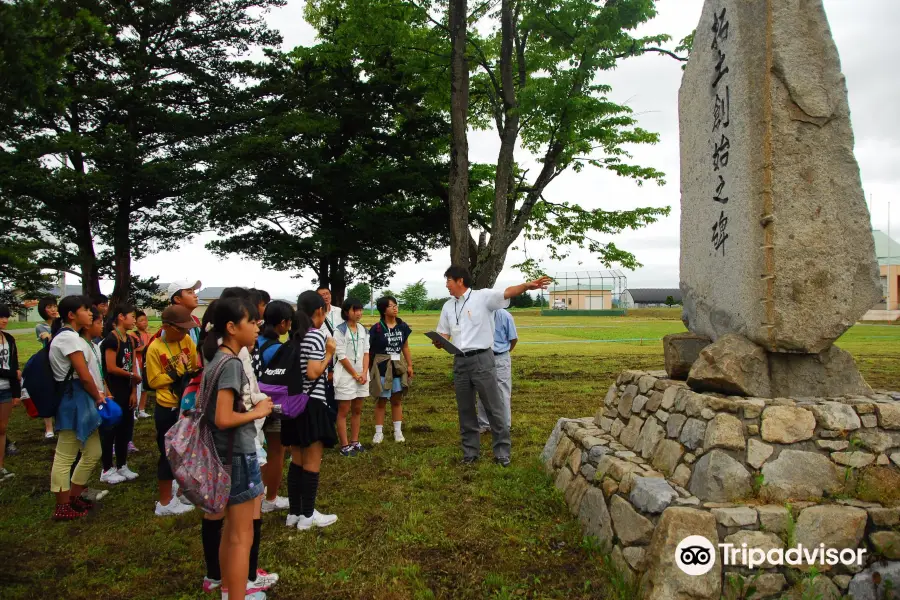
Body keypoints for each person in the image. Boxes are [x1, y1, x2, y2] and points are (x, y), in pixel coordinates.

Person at [198, 297, 276, 600]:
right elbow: (223, 417)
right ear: (231, 327)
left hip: (222, 453)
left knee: (231, 533)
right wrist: (258, 412)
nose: (258, 328)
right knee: (241, 536)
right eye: (252, 322)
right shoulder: (231, 364)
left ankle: (230, 589)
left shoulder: (217, 358)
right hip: (238, 454)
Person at [434, 267, 551, 467]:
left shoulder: (483, 297)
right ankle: (470, 452)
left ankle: (502, 452)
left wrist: (526, 286)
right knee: (465, 408)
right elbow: (444, 333)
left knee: (493, 407)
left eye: (449, 281)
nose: (446, 285)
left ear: (460, 280)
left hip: (482, 358)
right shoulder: (447, 306)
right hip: (459, 361)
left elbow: (507, 292)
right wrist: (439, 341)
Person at [282, 291, 338, 530]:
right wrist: (329, 354)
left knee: (296, 461)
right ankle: (308, 515)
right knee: (312, 462)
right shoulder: (315, 337)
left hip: (293, 405)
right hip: (312, 404)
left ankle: (294, 513)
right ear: (319, 312)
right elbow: (314, 373)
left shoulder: (293, 336)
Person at [47, 296, 106, 519]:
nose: (90, 313)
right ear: (71, 315)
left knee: (93, 452)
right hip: (74, 399)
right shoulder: (68, 339)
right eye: (85, 310)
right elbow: (83, 375)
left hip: (82, 398)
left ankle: (74, 495)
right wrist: (98, 396)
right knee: (66, 454)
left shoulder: (75, 338)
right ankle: (62, 505)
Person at [146, 304, 199, 516]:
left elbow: (194, 365)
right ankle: (165, 503)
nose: (186, 332)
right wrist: (178, 372)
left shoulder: (186, 341)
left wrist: (189, 369)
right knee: (168, 452)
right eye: (181, 328)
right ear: (167, 326)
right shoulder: (155, 349)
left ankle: (182, 490)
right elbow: (153, 380)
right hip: (167, 406)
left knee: (186, 450)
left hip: (186, 403)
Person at [256, 300, 294, 513]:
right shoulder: (278, 349)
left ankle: (255, 492)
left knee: (253, 452)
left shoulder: (254, 342)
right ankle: (270, 497)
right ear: (282, 323)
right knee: (276, 452)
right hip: (273, 407)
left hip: (251, 404)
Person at [98, 304, 142, 485]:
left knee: (126, 427)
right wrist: (132, 376)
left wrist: (133, 390)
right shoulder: (111, 339)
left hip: (126, 390)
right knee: (111, 430)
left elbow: (131, 364)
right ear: (121, 317)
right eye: (132, 316)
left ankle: (122, 464)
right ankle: (107, 468)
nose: (134, 320)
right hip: (112, 391)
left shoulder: (131, 340)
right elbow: (111, 368)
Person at [368, 296, 412, 444]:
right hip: (381, 367)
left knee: (397, 399)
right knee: (381, 400)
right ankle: (378, 432)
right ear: (383, 310)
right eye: (391, 306)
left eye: (395, 305)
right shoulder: (377, 328)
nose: (395, 308)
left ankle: (398, 431)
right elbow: (370, 350)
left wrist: (410, 365)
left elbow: (405, 347)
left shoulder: (402, 326)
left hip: (398, 367)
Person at [333, 298, 369, 456]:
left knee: (357, 409)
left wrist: (364, 372)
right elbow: (340, 355)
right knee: (343, 410)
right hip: (346, 375)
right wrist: (354, 374)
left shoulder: (363, 330)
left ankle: (355, 441)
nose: (359, 313)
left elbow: (367, 352)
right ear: (347, 312)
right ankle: (344, 445)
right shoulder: (340, 330)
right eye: (356, 310)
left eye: (360, 310)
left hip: (361, 374)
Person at [476, 308, 518, 434]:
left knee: (502, 391)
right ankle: (484, 424)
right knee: (483, 390)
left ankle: (504, 425)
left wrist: (503, 353)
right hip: (483, 356)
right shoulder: (480, 314)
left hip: (500, 356)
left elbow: (514, 339)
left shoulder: (505, 315)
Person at [0, 304, 21, 481]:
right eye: (1, 317)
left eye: (6, 316)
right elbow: (12, 371)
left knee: (2, 428)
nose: (4, 320)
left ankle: (0, 467)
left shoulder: (9, 339)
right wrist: (12, 374)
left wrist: (16, 393)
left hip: (6, 390)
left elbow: (14, 364)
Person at [35, 296, 58, 440]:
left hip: (61, 361)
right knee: (48, 392)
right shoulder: (40, 327)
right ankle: (49, 428)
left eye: (54, 306)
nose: (53, 309)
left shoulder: (61, 322)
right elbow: (49, 339)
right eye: (49, 307)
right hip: (48, 362)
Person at [133, 310, 153, 419]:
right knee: (136, 387)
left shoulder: (149, 335)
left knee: (144, 388)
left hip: (146, 364)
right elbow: (134, 349)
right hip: (137, 364)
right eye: (141, 321)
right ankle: (134, 410)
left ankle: (141, 409)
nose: (144, 322)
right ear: (135, 323)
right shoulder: (133, 335)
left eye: (145, 320)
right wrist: (145, 348)